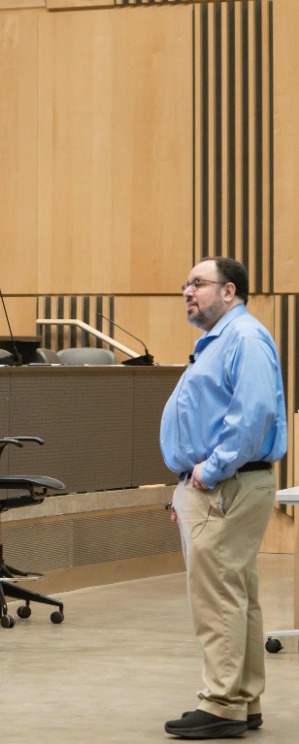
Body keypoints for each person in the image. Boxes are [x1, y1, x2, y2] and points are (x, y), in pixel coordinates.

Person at [159, 257, 286, 740]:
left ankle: (222, 703)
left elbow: (251, 415)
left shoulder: (244, 338)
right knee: (238, 594)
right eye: (185, 283)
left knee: (216, 598)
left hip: (224, 486)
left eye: (198, 283)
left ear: (229, 291)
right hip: (223, 485)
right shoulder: (222, 339)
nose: (187, 291)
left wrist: (207, 473)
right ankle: (245, 697)